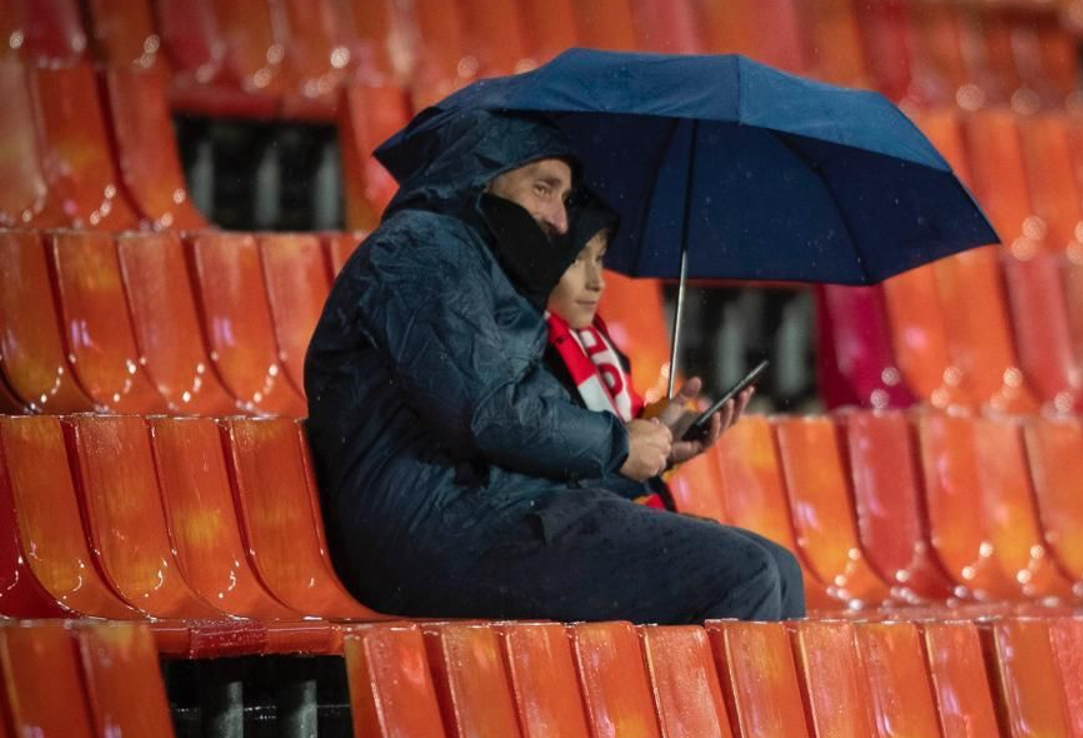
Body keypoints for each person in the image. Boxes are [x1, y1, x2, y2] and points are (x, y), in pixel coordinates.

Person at [303, 107, 806, 623]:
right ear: (484, 178)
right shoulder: (421, 249)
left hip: (496, 516)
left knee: (780, 568)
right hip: (431, 536)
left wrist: (651, 452)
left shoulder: (489, 273)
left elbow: (521, 446)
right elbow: (487, 413)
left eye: (565, 198)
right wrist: (618, 445)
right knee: (743, 573)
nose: (561, 220)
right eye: (543, 189)